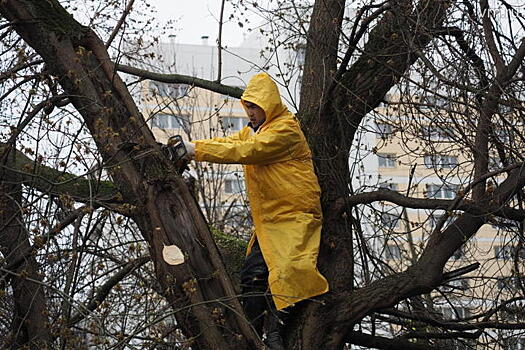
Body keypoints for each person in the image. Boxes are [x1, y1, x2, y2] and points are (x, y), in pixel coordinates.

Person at [183, 72, 329, 349]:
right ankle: (251, 334)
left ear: (269, 104)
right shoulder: (257, 130)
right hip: (273, 220)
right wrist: (193, 147)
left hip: (294, 216)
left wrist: (194, 150)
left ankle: (273, 331)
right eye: (247, 107)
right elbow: (232, 144)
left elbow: (248, 151)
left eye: (254, 107)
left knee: (289, 271)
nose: (250, 113)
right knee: (253, 275)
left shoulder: (285, 131)